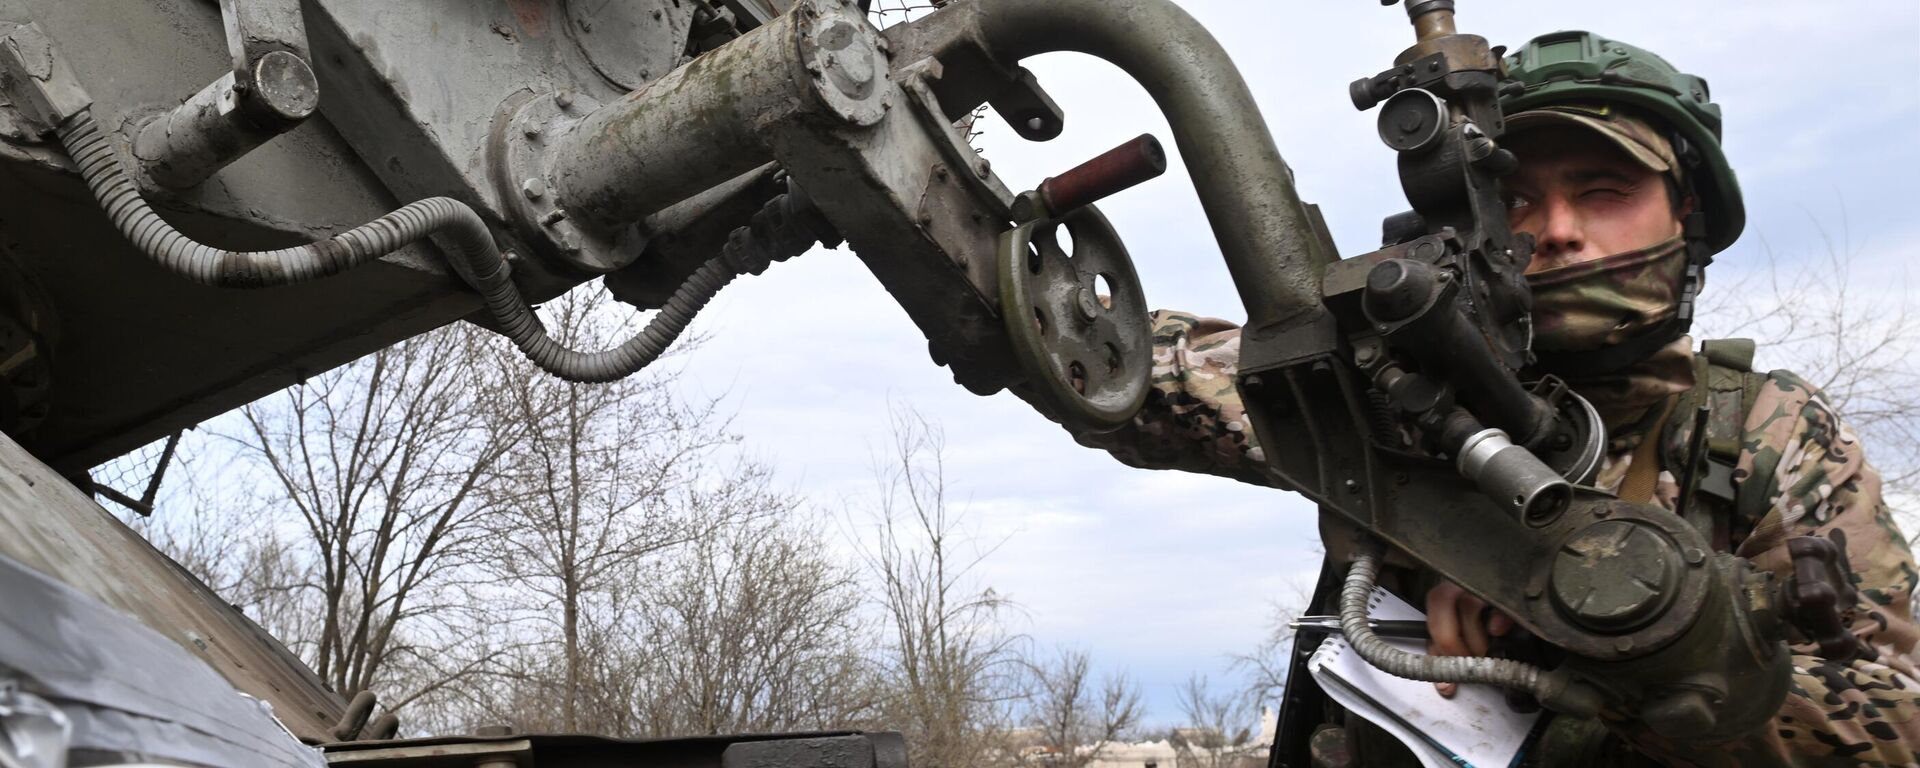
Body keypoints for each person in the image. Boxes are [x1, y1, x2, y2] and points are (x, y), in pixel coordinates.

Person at [1076, 30, 1920, 766]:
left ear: (1686, 214)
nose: (1554, 228)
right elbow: (1120, 368)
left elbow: (1893, 724)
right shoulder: (1393, 390)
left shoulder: (1765, 431)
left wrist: (1587, 626)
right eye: (1517, 199)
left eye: (1604, 190)